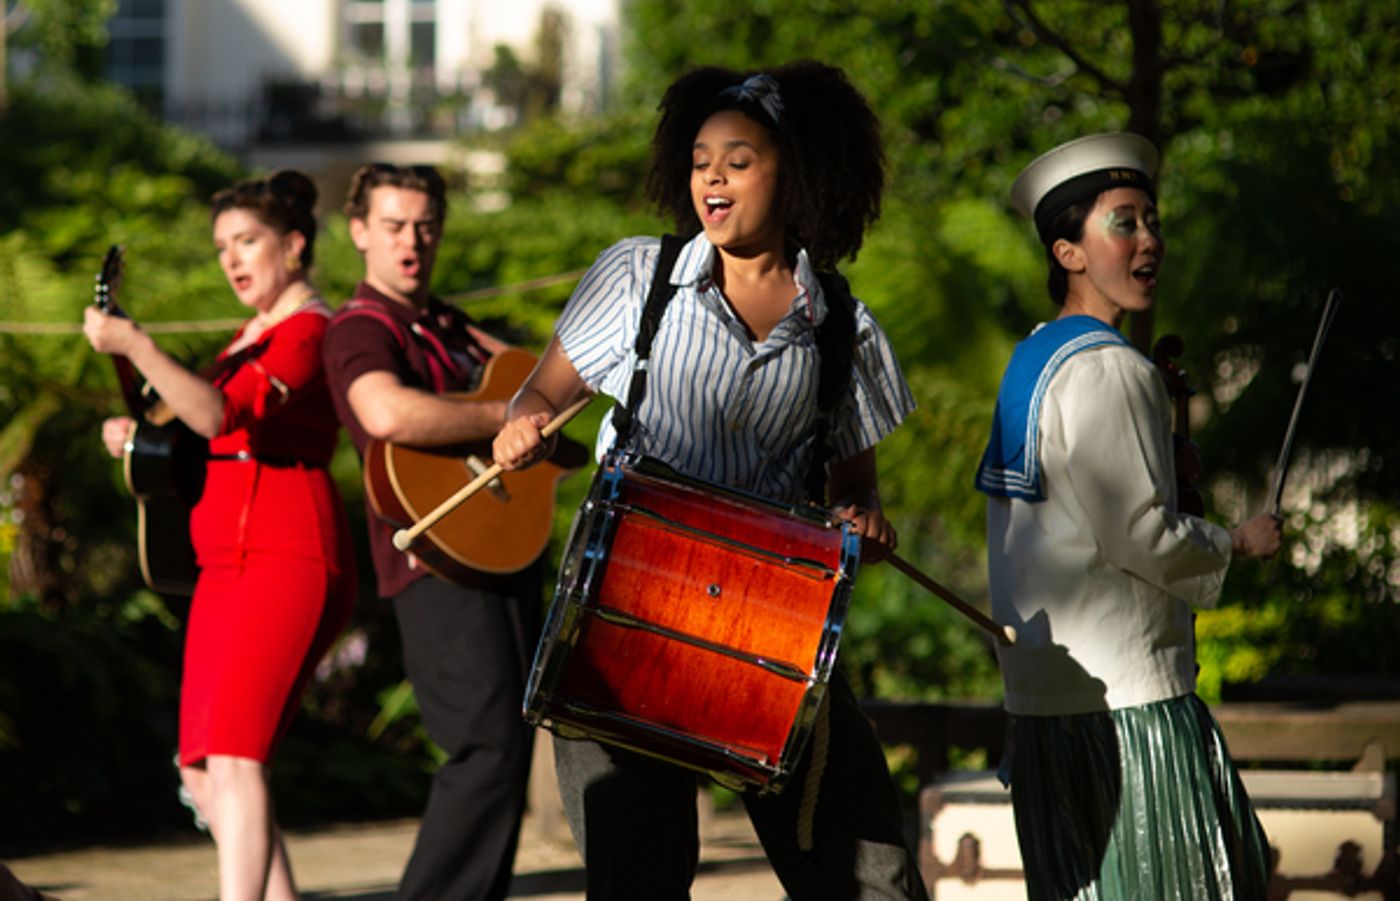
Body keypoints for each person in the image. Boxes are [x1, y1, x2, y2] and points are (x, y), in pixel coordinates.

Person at [492, 61, 930, 901]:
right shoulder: (635, 278)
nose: (713, 178)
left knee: (871, 877)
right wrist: (525, 421)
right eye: (700, 161)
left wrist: (865, 521)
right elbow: (544, 391)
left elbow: (857, 491)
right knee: (637, 881)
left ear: (796, 171)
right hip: (629, 620)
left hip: (773, 627)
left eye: (738, 158)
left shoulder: (844, 328)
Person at [974, 132, 1284, 898]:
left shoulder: (1032, 358)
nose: (1150, 240)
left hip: (1048, 703)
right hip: (1128, 712)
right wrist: (1236, 542)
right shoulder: (1115, 368)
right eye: (1124, 222)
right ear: (1069, 251)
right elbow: (1140, 534)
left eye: (1153, 220)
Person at [83, 170, 357, 901]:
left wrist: (136, 343)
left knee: (236, 759)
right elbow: (192, 423)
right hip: (224, 563)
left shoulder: (308, 330)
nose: (232, 259)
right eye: (222, 247)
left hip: (286, 553)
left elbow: (215, 416)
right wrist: (139, 431)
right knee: (202, 770)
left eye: (247, 241)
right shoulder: (252, 335)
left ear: (294, 245)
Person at [321, 163, 539, 901]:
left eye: (425, 225)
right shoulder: (358, 328)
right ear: (358, 233)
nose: (412, 241)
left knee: (507, 755)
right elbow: (385, 412)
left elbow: (535, 386)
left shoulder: (446, 322)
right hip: (435, 565)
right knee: (486, 750)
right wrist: (500, 417)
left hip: (499, 551)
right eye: (393, 226)